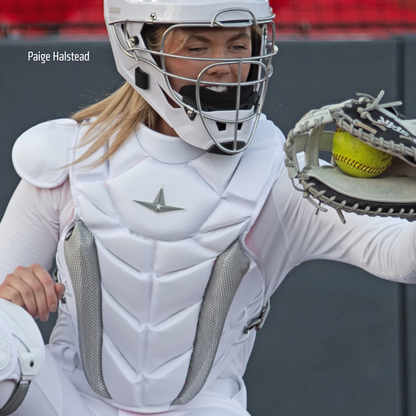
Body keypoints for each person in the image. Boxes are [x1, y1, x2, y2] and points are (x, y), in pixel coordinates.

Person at [0, 0, 415, 415]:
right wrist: (11, 294)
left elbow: (399, 257)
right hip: (68, 402)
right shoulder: (70, 155)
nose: (224, 66)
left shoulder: (281, 171)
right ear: (138, 49)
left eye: (237, 46)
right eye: (197, 48)